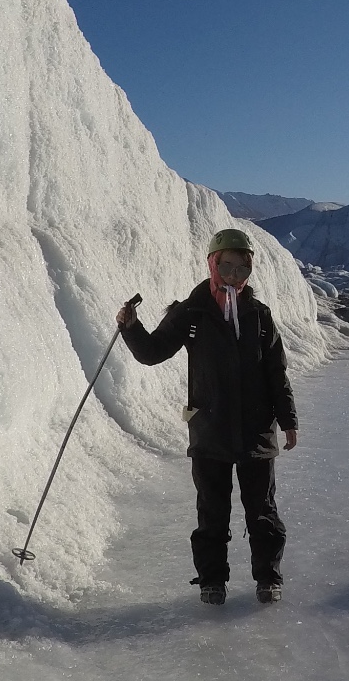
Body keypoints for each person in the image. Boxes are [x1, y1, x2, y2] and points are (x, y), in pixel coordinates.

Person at [118, 228, 298, 606]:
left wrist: (288, 420)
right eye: (227, 266)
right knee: (212, 514)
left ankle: (268, 578)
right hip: (210, 431)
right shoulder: (192, 312)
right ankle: (212, 582)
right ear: (212, 264)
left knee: (262, 513)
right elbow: (153, 352)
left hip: (256, 433)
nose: (233, 276)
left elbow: (276, 373)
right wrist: (131, 328)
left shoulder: (259, 317)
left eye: (241, 269)